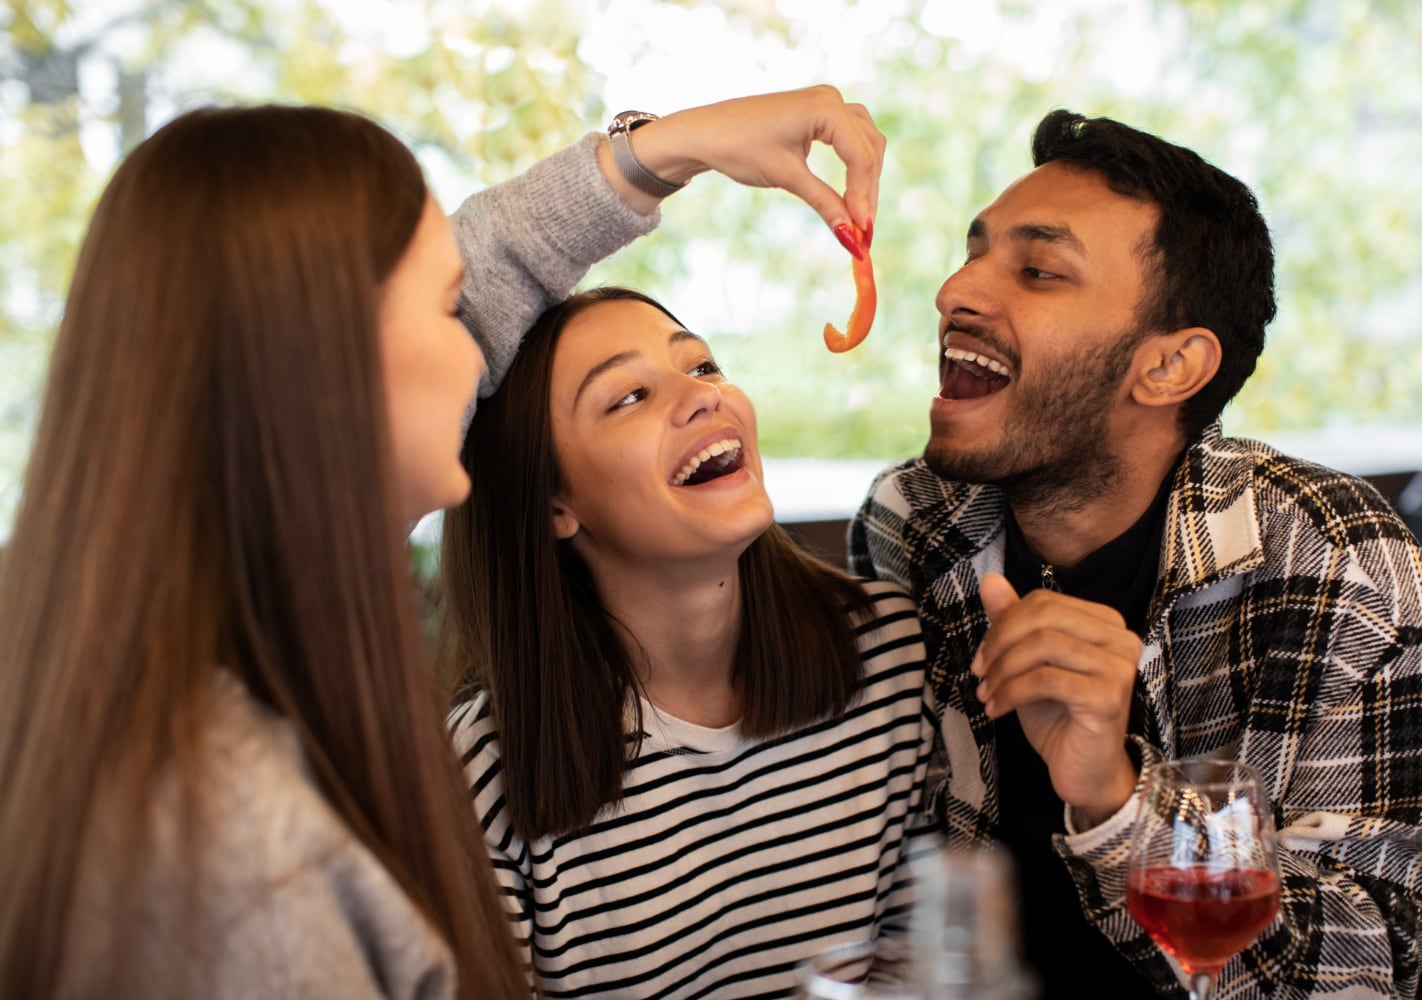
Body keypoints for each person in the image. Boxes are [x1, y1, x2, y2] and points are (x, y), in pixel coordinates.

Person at [0, 85, 886, 998]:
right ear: (326, 367)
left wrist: (666, 148)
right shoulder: (245, 861)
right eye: (448, 309)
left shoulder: (207, 729)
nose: (480, 357)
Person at [848, 109, 1422, 999]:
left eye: (1038, 270)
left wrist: (1117, 799)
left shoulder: (1348, 574)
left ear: (1170, 367)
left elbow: (1354, 978)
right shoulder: (910, 521)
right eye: (973, 251)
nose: (956, 288)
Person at [441, 286, 933, 997]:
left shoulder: (889, 655)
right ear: (555, 504)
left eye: (702, 366)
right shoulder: (490, 770)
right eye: (629, 397)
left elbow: (927, 967)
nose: (705, 397)